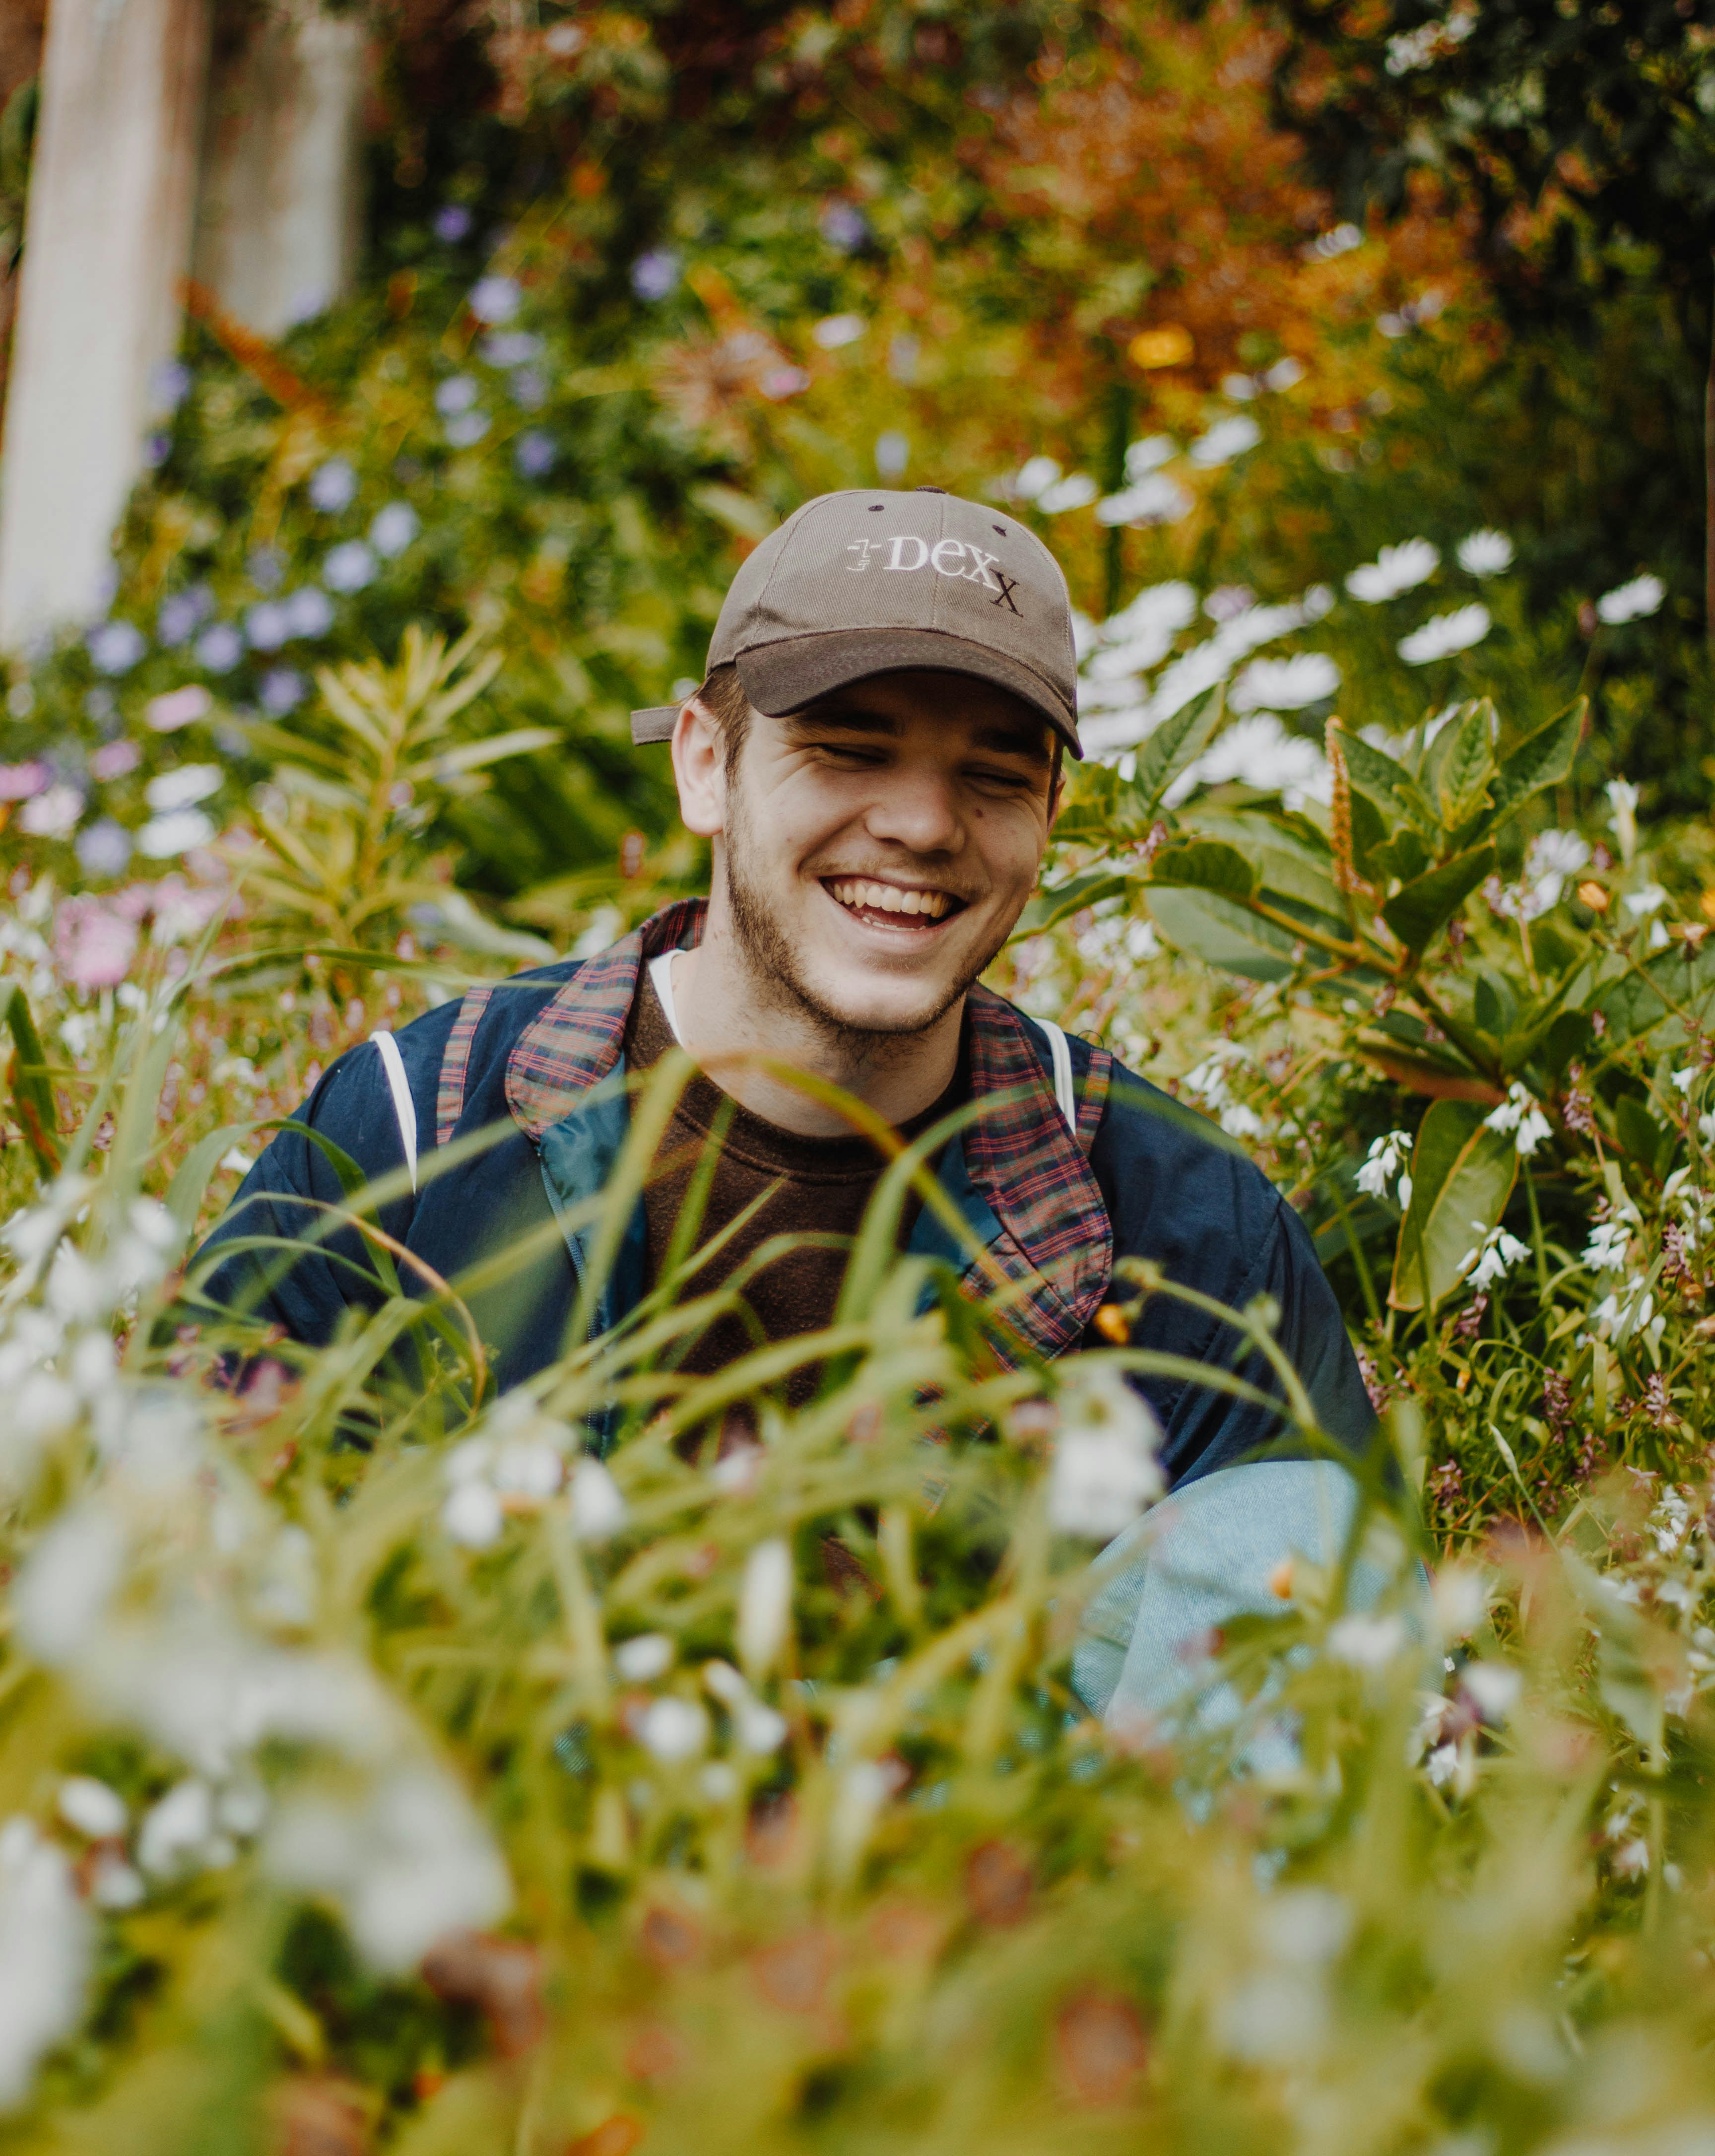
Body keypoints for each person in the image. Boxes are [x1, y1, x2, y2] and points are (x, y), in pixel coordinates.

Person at [198, 485, 1385, 1726]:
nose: (925, 824)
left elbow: (1328, 1654)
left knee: (1301, 1527)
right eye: (851, 749)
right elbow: (184, 1551)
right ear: (706, 763)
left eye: (993, 774)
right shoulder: (420, 1127)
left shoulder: (1176, 1213)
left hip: (1008, 1878)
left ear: (1049, 822)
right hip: (501, 1862)